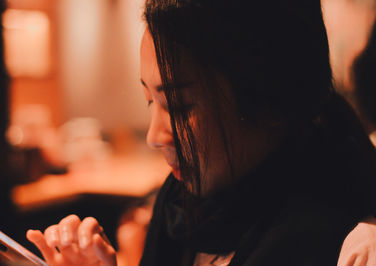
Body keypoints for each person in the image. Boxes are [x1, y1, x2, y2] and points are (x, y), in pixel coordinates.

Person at [26, 0, 376, 265]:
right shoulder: (180, 208)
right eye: (150, 101)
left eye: (177, 106)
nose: (154, 136)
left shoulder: (348, 245)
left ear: (266, 96)